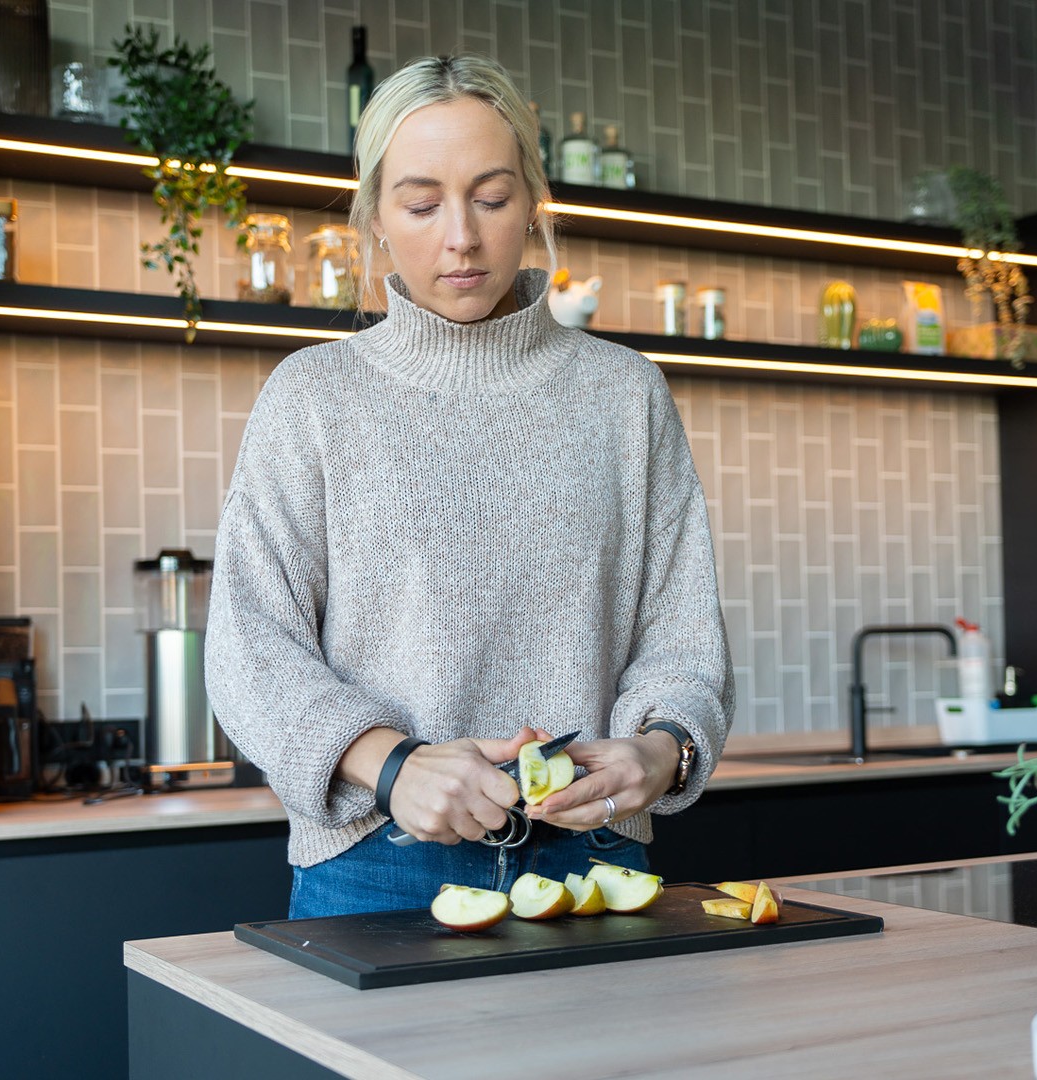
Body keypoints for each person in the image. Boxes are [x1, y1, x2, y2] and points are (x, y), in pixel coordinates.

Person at [205, 53, 734, 920]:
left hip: (594, 860)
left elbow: (680, 637)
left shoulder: (625, 394)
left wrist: (661, 749)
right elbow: (247, 648)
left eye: (491, 198)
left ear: (533, 202)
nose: (461, 236)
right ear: (375, 215)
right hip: (374, 860)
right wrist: (393, 765)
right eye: (421, 203)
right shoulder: (312, 397)